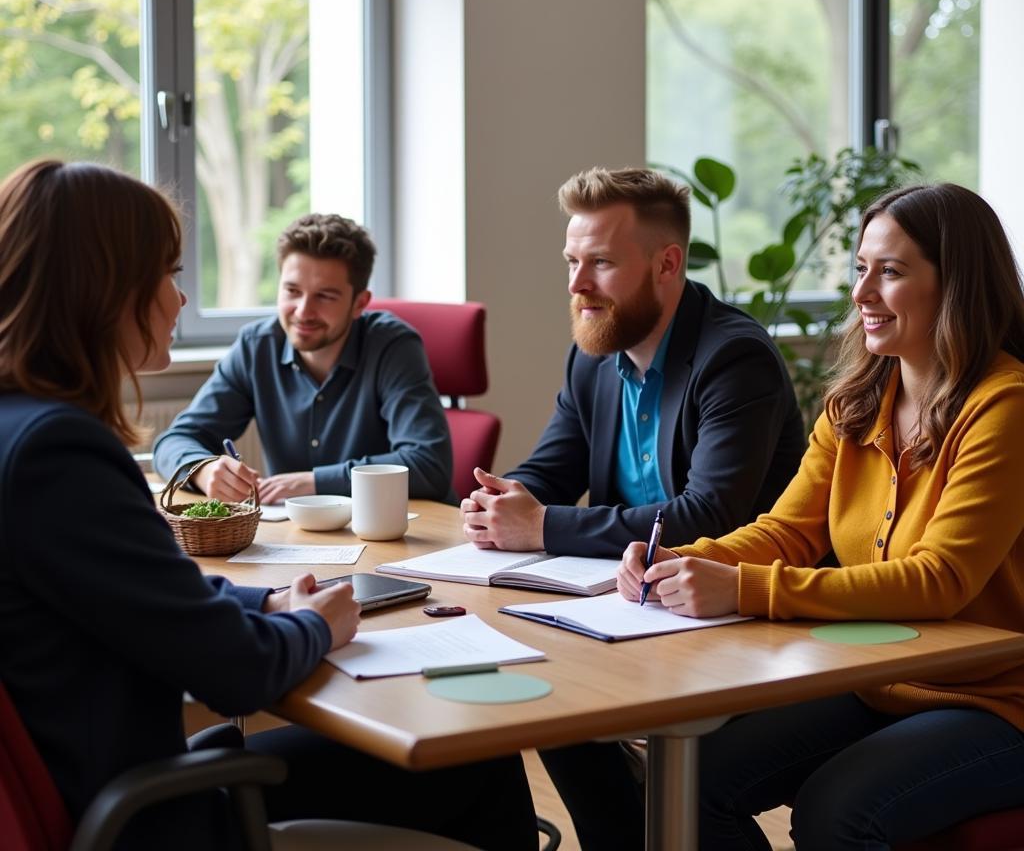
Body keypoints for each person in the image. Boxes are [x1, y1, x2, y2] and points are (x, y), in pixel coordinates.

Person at [0, 159, 536, 851]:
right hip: (149, 816)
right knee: (477, 755)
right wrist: (316, 624)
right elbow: (236, 670)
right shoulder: (59, 453)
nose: (180, 300)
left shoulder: (24, 433)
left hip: (98, 779)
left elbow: (149, 599)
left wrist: (265, 607)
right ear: (104, 289)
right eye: (168, 274)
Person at [618, 182, 1024, 850]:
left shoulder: (1003, 407)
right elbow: (788, 532)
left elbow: (939, 579)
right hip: (880, 681)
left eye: (889, 272)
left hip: (997, 700)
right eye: (860, 269)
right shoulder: (860, 402)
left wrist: (745, 589)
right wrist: (692, 560)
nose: (861, 294)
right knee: (693, 779)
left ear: (956, 285)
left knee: (839, 811)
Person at [461, 166, 805, 560]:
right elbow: (552, 472)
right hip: (622, 590)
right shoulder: (594, 356)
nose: (577, 284)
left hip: (733, 598)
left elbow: (710, 516)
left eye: (601, 262)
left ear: (667, 265)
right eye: (572, 261)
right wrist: (497, 503)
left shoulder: (735, 359)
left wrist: (539, 525)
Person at [153, 212, 454, 505]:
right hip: (295, 537)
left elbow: (428, 466)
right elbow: (173, 442)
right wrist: (203, 471)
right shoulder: (257, 347)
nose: (303, 312)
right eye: (292, 291)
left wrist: (312, 483)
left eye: (325, 296)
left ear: (359, 303)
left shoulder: (393, 347)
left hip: (399, 533)